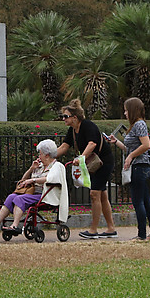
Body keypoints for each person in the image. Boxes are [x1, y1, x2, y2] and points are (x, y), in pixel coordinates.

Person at [56, 99, 118, 239]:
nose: (63, 119)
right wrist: (50, 156)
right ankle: (111, 228)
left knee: (94, 194)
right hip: (93, 164)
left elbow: (92, 143)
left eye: (66, 116)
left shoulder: (88, 125)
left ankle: (93, 230)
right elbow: (64, 146)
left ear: (74, 117)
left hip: (103, 162)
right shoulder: (72, 131)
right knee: (102, 195)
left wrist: (81, 158)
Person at [0, 139, 61, 235]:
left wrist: (33, 180)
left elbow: (49, 179)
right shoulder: (40, 166)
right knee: (11, 197)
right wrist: (31, 169)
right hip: (33, 194)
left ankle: (15, 225)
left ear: (47, 155)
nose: (39, 156)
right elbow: (23, 179)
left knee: (20, 199)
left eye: (40, 154)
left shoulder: (56, 166)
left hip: (46, 195)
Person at [107, 97, 150, 241]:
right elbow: (130, 148)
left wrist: (130, 157)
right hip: (137, 166)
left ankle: (142, 234)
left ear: (132, 110)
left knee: (138, 201)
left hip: (139, 166)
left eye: (126, 110)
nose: (125, 113)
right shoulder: (135, 125)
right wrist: (116, 142)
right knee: (145, 200)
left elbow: (146, 145)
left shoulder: (139, 124)